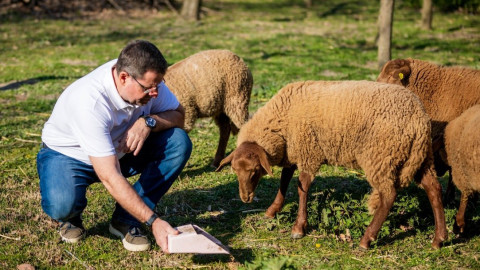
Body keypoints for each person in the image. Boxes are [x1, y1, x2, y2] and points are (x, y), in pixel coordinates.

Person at [36, 40, 192, 252]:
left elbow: (179, 116)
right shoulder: (89, 102)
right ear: (124, 77)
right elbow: (110, 176)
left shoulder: (147, 81)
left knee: (178, 141)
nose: (155, 93)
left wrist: (148, 122)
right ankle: (71, 217)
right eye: (149, 88)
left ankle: (126, 219)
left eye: (158, 85)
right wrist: (154, 221)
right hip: (70, 156)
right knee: (62, 205)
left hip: (119, 151)